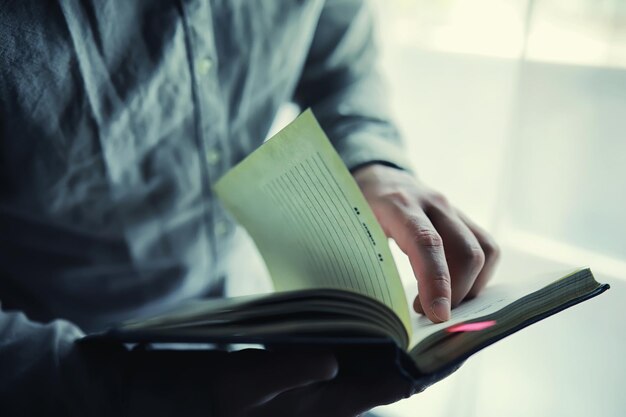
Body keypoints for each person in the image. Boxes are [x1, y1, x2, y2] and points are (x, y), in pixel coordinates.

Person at [0, 1, 499, 415]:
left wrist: (371, 160)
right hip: (59, 372)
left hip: (259, 318)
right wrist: (116, 391)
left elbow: (341, 64)